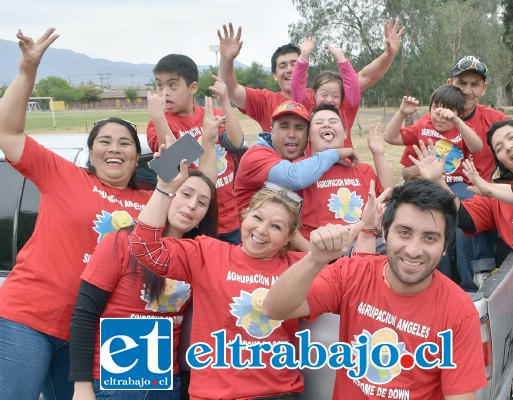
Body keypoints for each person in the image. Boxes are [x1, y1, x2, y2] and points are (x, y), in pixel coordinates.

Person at [0, 28, 152, 400]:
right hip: (28, 318)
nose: (114, 149)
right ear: (91, 151)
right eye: (105, 141)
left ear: (137, 155)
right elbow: (8, 131)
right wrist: (26, 72)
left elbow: (204, 189)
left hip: (96, 335)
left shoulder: (151, 199)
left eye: (125, 144)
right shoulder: (62, 175)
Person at [263, 179, 487, 399]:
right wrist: (315, 259)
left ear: (445, 247)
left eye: (430, 238)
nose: (413, 250)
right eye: (404, 232)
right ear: (385, 233)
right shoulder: (353, 273)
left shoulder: (458, 310)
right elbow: (274, 308)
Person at [410, 121, 513, 400]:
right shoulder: (498, 194)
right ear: (498, 159)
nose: (508, 147)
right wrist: (438, 182)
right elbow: (464, 217)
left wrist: (487, 188)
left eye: (512, 137)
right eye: (499, 147)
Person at [68, 98, 223, 400]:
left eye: (201, 204)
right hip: (114, 382)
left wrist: (208, 139)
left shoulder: (195, 255)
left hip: (166, 383)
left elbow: (208, 184)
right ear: (167, 193)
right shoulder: (122, 241)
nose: (191, 205)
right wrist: (82, 386)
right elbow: (84, 315)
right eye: (185, 194)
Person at [129, 164, 308, 398]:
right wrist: (163, 188)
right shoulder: (207, 252)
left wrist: (357, 235)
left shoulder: (301, 266)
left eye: (276, 226)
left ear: (288, 238)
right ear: (244, 216)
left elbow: (355, 279)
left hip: (277, 393)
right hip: (213, 394)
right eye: (257, 217)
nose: (262, 230)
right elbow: (144, 249)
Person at [401, 56, 513, 289]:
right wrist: (412, 172)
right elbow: (407, 168)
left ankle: (475, 282)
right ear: (450, 82)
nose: (468, 91)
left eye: (475, 84)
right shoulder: (432, 119)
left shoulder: (493, 119)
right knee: (426, 218)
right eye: (462, 83)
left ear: (483, 89)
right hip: (439, 188)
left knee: (467, 210)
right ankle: (433, 283)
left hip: (479, 193)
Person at [218, 19, 405, 132]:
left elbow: (366, 77)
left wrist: (388, 54)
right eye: (283, 66)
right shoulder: (264, 100)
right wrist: (226, 60)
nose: (290, 69)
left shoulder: (325, 95)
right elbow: (231, 89)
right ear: (275, 75)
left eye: (294, 62)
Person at [384, 83, 486, 288]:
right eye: (435, 109)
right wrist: (402, 112)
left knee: (466, 219)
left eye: (446, 113)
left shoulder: (461, 130)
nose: (439, 116)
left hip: (454, 184)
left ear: (458, 114)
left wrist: (457, 121)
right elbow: (390, 137)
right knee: (431, 226)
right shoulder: (423, 127)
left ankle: (470, 281)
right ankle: (439, 280)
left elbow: (477, 146)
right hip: (425, 185)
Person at [147, 53, 245, 245]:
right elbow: (172, 163)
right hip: (194, 222)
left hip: (229, 217)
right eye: (159, 85)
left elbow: (237, 141)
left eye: (172, 85)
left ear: (193, 88)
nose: (164, 92)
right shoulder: (157, 123)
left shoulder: (209, 113)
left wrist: (225, 101)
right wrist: (158, 117)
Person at [293, 104, 394, 250]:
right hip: (322, 248)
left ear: (346, 133)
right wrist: (315, 258)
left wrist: (378, 154)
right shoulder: (299, 169)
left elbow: (389, 194)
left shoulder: (362, 169)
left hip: (366, 243)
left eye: (333, 121)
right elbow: (289, 225)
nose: (326, 124)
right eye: (319, 122)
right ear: (308, 136)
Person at [233, 100, 355, 213]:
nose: (292, 134)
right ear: (271, 131)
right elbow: (295, 177)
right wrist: (336, 153)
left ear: (308, 136)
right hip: (246, 234)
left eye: (299, 128)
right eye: (284, 127)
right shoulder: (255, 156)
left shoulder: (305, 160)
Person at [290, 37, 360, 148]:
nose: (329, 99)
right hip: (314, 164)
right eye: (324, 94)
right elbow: (296, 86)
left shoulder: (346, 111)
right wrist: (304, 57)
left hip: (343, 163)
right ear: (314, 95)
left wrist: (340, 58)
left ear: (342, 98)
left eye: (335, 96)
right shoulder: (306, 110)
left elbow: (353, 86)